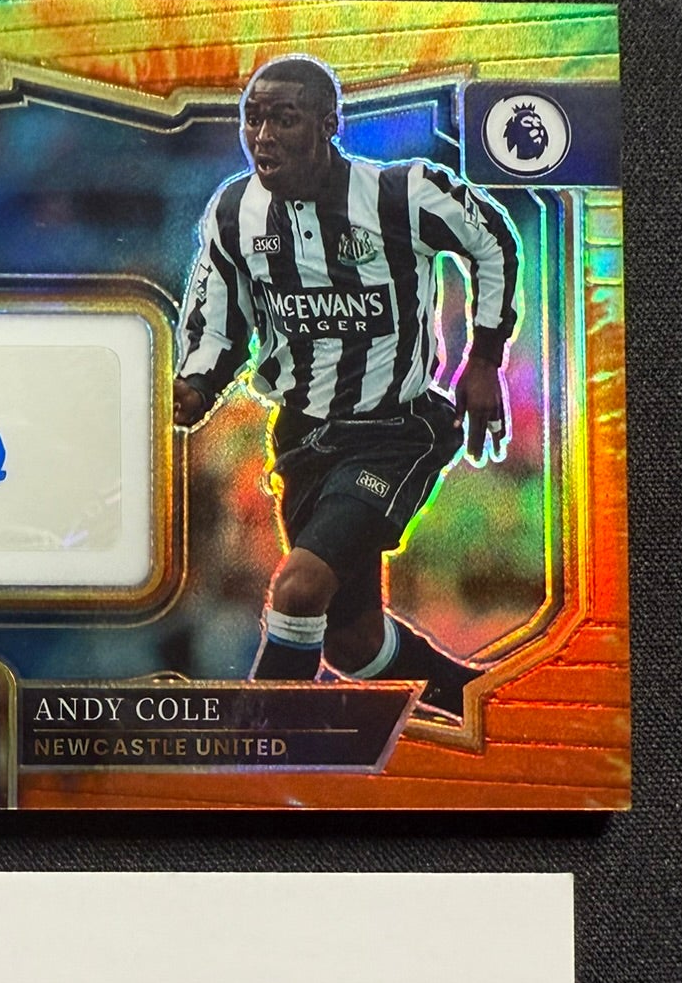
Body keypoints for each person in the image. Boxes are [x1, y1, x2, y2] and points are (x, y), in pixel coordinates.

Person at [173, 55, 520, 716]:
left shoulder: (400, 194)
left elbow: (492, 240)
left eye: (284, 119)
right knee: (353, 644)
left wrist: (484, 358)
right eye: (253, 119)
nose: (263, 136)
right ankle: (492, 705)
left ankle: (258, 749)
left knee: (299, 590)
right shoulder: (233, 212)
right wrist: (194, 384)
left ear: (328, 124)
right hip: (303, 438)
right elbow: (219, 319)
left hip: (394, 431)